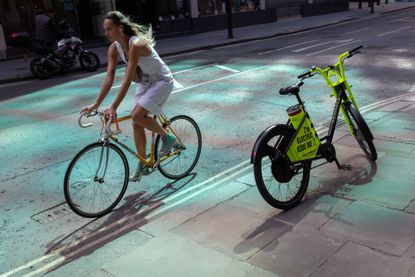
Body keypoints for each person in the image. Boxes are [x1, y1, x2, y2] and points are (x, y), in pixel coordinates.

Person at [81, 11, 177, 182]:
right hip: (144, 82)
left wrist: (113, 106)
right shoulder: (114, 48)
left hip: (161, 81)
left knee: (137, 115)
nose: (106, 33)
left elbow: (126, 79)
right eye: (105, 30)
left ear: (120, 28)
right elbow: (109, 77)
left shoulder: (136, 44)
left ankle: (167, 137)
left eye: (109, 29)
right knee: (136, 121)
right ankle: (143, 163)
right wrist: (95, 105)